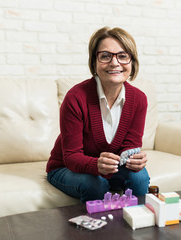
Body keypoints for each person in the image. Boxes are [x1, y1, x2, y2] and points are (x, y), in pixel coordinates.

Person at [46, 26, 150, 202]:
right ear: (94, 62)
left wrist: (134, 160)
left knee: (139, 178)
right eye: (105, 56)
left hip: (111, 168)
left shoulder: (139, 99)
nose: (115, 63)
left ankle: (139, 224)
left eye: (123, 56)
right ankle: (98, 228)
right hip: (65, 168)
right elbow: (71, 157)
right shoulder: (75, 98)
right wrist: (97, 166)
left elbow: (131, 146)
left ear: (132, 62)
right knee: (96, 184)